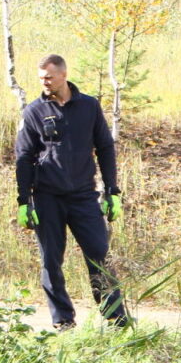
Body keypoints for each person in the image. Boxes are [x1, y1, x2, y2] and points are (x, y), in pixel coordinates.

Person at [13, 54, 130, 330]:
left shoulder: (88, 106)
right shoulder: (33, 112)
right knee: (51, 260)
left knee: (100, 255)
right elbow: (23, 156)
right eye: (41, 78)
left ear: (64, 75)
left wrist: (112, 190)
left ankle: (115, 317)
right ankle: (63, 319)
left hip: (83, 196)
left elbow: (105, 147)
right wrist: (23, 200)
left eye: (49, 77)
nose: (45, 82)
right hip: (47, 197)